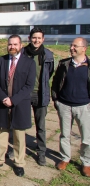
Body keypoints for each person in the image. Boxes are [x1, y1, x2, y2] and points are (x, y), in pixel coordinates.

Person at [0, 34, 35, 177]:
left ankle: (19, 163)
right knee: (1, 133)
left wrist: (13, 100)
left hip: (19, 104)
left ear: (21, 45)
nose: (12, 47)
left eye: (15, 44)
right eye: (10, 44)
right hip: (2, 104)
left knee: (19, 136)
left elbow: (29, 86)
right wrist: (3, 98)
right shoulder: (0, 61)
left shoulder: (29, 63)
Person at [52, 37, 90, 177]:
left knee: (86, 137)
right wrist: (56, 99)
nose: (72, 48)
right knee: (64, 134)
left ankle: (86, 162)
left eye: (75, 46)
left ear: (84, 48)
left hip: (83, 106)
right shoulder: (64, 64)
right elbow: (56, 81)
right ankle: (65, 158)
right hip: (65, 105)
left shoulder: (89, 65)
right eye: (71, 45)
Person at [22, 27, 54, 166]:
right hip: (24, 94)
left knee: (40, 126)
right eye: (34, 37)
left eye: (39, 38)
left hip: (40, 94)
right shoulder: (22, 53)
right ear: (29, 38)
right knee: (20, 124)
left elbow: (49, 73)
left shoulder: (48, 55)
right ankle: (18, 149)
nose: (36, 40)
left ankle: (41, 152)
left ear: (43, 39)